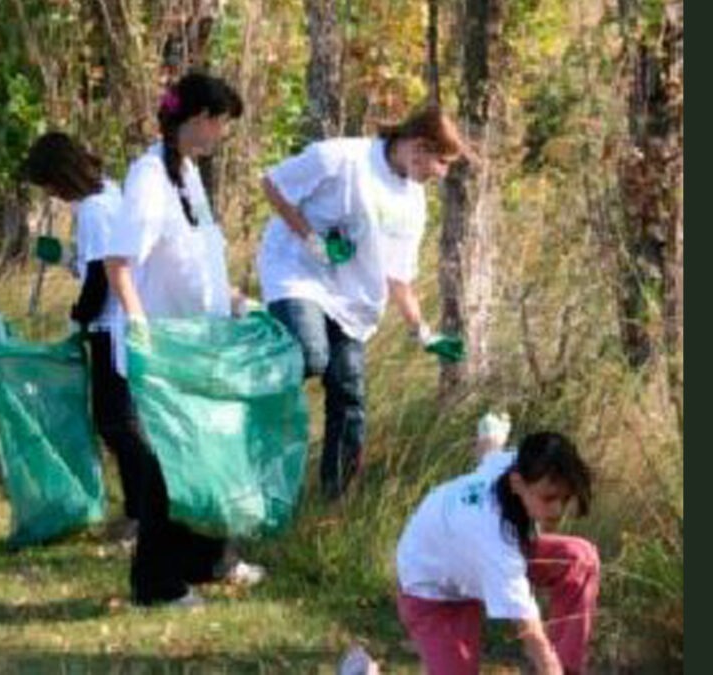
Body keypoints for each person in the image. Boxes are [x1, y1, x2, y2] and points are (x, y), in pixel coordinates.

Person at [102, 72, 262, 607]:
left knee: (208, 460)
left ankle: (208, 562)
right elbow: (118, 262)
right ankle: (156, 584)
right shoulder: (148, 176)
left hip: (202, 345)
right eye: (221, 123)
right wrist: (140, 326)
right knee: (164, 475)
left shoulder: (187, 174)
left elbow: (192, 261)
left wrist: (236, 300)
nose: (222, 134)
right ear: (199, 120)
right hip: (165, 351)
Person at [257, 105, 468, 500]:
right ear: (417, 147)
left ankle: (334, 498)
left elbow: (399, 277)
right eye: (437, 164)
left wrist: (423, 333)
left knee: (349, 393)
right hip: (296, 272)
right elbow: (272, 184)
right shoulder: (341, 157)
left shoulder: (413, 203)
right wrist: (313, 240)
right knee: (311, 354)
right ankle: (253, 382)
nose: (438, 174)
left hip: (350, 299)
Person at [395, 428, 599, 675]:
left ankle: (568, 669)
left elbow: (489, 454)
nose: (557, 509)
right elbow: (528, 629)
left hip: (471, 562)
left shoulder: (514, 465)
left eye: (564, 499)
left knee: (579, 559)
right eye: (549, 498)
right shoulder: (493, 537)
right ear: (517, 483)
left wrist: (489, 435)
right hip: (431, 592)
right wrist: (548, 666)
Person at [19, 131, 142, 537]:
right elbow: (95, 260)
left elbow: (100, 279)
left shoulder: (94, 208)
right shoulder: (110, 193)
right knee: (118, 422)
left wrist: (78, 320)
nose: (52, 195)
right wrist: (66, 256)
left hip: (112, 327)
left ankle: (142, 513)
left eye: (50, 185)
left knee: (118, 423)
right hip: (120, 324)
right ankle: (138, 509)